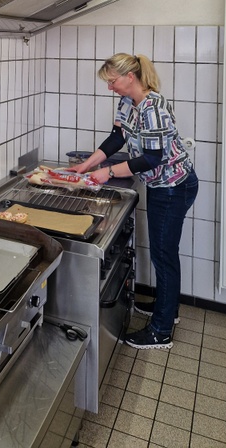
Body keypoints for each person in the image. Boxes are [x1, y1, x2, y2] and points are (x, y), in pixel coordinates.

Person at [72, 53, 199, 350]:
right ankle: (168, 310)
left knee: (164, 255)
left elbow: (151, 158)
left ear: (130, 77)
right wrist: (87, 165)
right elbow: (116, 138)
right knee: (163, 252)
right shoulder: (127, 101)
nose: (109, 87)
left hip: (173, 187)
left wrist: (107, 172)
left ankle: (161, 332)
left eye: (112, 81)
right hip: (160, 185)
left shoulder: (154, 107)